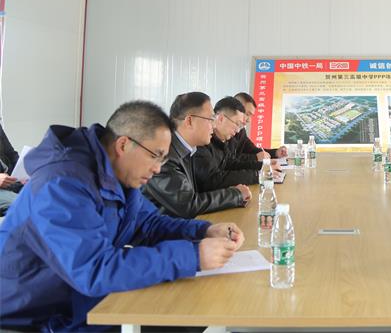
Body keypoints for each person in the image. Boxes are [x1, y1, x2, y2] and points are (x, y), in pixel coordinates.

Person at [0, 101, 245, 331]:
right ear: (124, 145)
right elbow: (95, 270)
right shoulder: (62, 184)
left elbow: (148, 224)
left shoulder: (116, 174)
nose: (158, 168)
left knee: (187, 312)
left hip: (76, 302)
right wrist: (193, 255)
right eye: (155, 155)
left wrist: (204, 231)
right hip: (31, 318)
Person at [143, 92, 252, 219]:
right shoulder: (164, 155)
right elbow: (188, 205)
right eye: (210, 119)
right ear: (189, 121)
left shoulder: (186, 149)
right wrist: (235, 194)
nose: (214, 125)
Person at [194, 96, 280, 190]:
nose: (238, 130)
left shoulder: (222, 141)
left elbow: (231, 164)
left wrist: (262, 167)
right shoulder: (202, 142)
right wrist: (257, 175)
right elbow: (213, 179)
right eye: (237, 124)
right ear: (221, 118)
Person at [231, 92, 288, 161]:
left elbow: (253, 150)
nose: (249, 120)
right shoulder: (223, 131)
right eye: (247, 114)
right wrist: (255, 157)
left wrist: (275, 153)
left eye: (251, 116)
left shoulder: (241, 131)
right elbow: (229, 160)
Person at [0, 123, 23, 216]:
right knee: (24, 203)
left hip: (10, 180)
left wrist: (23, 172)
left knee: (45, 194)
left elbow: (11, 154)